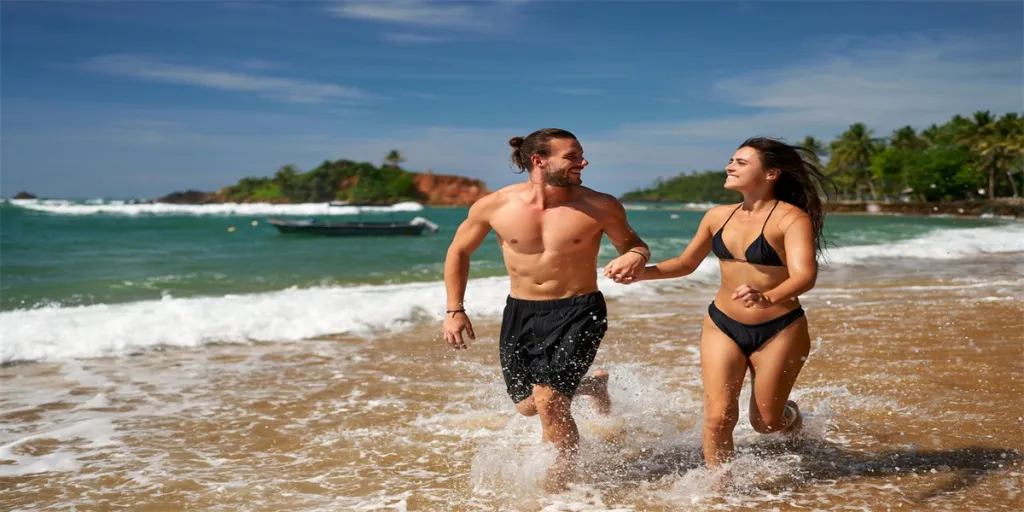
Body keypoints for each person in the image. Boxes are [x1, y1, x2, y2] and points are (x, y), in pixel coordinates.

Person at [441, 128, 650, 491]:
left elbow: (635, 245)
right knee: (527, 405)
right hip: (520, 312)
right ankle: (593, 384)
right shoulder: (495, 205)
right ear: (539, 160)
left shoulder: (600, 204)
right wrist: (454, 309)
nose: (583, 162)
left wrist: (635, 257)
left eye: (580, 155)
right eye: (572, 157)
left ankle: (559, 490)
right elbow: (459, 251)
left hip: (579, 310)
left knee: (550, 401)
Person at [618, 137, 834, 467]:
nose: (729, 166)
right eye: (731, 160)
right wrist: (640, 274)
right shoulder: (716, 215)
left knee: (767, 424)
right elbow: (685, 263)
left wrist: (768, 297)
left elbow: (805, 276)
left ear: (771, 174)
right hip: (722, 324)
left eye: (741, 162)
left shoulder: (791, 219)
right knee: (717, 419)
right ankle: (719, 491)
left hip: (779, 329)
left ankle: (792, 415)